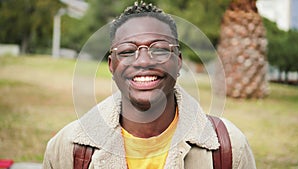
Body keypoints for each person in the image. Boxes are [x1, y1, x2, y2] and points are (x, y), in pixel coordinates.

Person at [43, 1, 257, 169]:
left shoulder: (229, 148)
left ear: (178, 61)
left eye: (160, 49)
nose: (144, 62)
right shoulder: (67, 149)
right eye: (127, 51)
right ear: (111, 65)